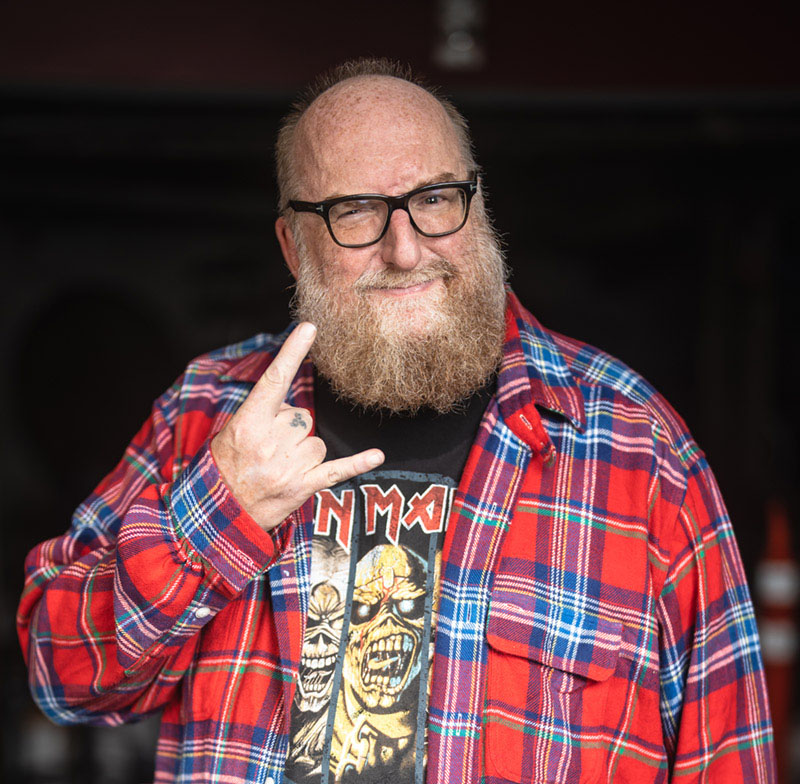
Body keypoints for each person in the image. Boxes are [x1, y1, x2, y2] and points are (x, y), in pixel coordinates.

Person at [18, 58, 775, 784]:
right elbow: (62, 676)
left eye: (437, 198)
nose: (406, 248)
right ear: (292, 244)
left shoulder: (640, 449)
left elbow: (731, 756)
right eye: (355, 211)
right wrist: (220, 512)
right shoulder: (208, 411)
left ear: (477, 206)